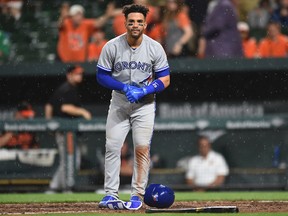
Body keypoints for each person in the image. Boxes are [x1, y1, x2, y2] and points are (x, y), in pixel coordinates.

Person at [96, 4, 170, 209]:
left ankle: (137, 195)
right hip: (119, 101)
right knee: (112, 147)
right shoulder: (111, 46)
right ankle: (110, 194)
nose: (135, 25)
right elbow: (101, 76)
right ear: (125, 23)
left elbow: (165, 79)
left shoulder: (155, 47)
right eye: (131, 21)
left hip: (144, 104)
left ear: (145, 24)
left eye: (139, 21)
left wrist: (144, 91)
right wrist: (123, 87)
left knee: (141, 148)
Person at [45, 65, 91, 192]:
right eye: (76, 74)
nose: (79, 76)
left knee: (67, 159)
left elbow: (49, 105)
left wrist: (50, 124)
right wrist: (82, 112)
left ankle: (54, 186)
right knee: (71, 159)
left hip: (64, 130)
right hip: (66, 130)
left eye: (80, 74)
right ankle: (67, 186)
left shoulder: (64, 88)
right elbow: (65, 108)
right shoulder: (68, 89)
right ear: (69, 75)